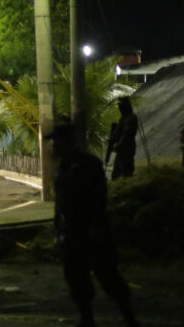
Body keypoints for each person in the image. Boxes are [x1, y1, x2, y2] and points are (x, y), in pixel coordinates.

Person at [47, 123, 138, 327]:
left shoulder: (88, 164)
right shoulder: (63, 166)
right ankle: (87, 319)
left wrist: (96, 227)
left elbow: (98, 199)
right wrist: (58, 228)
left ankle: (130, 319)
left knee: (108, 276)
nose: (52, 146)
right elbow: (60, 202)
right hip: (70, 232)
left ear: (66, 141)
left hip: (91, 230)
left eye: (55, 141)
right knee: (77, 278)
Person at [110, 97, 138, 180]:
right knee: (115, 172)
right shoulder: (123, 118)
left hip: (127, 147)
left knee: (126, 171)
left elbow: (127, 134)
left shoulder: (130, 118)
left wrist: (118, 145)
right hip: (120, 148)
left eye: (121, 105)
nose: (119, 108)